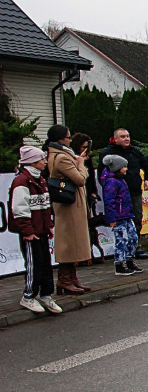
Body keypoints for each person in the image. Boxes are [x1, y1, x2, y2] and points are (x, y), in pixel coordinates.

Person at [8, 146, 61, 314]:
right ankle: (28, 296)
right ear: (32, 161)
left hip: (42, 230)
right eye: (41, 159)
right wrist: (27, 231)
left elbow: (45, 207)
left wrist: (48, 227)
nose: (45, 162)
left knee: (46, 264)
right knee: (34, 265)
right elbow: (19, 209)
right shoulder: (21, 181)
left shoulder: (41, 180)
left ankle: (46, 295)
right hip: (31, 233)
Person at [46, 124, 92, 294]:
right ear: (60, 139)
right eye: (68, 137)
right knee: (68, 243)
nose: (70, 140)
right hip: (68, 204)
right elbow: (80, 179)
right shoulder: (61, 158)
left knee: (74, 243)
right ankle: (64, 280)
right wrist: (81, 164)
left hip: (73, 204)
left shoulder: (63, 155)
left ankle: (72, 277)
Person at [98, 127, 148, 259]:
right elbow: (102, 174)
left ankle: (135, 248)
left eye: (128, 136)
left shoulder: (134, 152)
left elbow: (147, 164)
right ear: (115, 139)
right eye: (122, 137)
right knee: (121, 224)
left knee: (137, 220)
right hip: (119, 195)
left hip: (134, 192)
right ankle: (121, 253)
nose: (126, 139)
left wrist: (147, 180)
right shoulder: (108, 154)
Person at [100, 154, 143, 276]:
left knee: (133, 238)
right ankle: (119, 263)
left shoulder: (120, 180)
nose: (126, 169)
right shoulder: (111, 182)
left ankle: (129, 259)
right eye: (124, 167)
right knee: (121, 240)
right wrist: (112, 218)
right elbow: (109, 201)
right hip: (118, 217)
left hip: (127, 215)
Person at [70, 133, 103, 265]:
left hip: (87, 193)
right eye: (83, 147)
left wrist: (93, 192)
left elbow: (89, 178)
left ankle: (89, 252)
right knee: (78, 227)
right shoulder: (74, 158)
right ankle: (80, 256)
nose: (86, 150)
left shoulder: (87, 159)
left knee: (89, 226)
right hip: (76, 194)